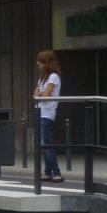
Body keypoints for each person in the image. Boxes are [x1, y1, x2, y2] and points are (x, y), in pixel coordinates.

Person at [33, 49, 63, 183]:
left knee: (46, 143)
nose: (38, 64)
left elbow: (44, 96)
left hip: (47, 113)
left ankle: (57, 172)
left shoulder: (53, 77)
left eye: (40, 61)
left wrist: (39, 95)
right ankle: (47, 171)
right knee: (42, 143)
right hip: (39, 111)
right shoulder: (42, 78)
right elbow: (34, 95)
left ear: (47, 63)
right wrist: (39, 95)